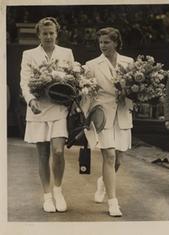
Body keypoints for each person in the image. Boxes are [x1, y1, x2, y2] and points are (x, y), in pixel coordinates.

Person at [20, 17, 74, 212]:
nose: (49, 36)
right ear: (39, 35)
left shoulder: (66, 53)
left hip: (59, 109)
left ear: (56, 33)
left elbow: (73, 79)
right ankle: (47, 196)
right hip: (38, 109)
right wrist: (31, 100)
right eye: (45, 33)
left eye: (52, 33)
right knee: (43, 155)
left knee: (58, 151)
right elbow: (25, 82)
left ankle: (58, 191)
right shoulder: (29, 54)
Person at [85, 27, 133, 217]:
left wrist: (130, 95)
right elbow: (86, 92)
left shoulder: (128, 62)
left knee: (118, 160)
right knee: (110, 157)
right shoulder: (92, 65)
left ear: (116, 42)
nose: (103, 46)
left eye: (107, 42)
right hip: (102, 114)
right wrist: (86, 116)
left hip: (122, 114)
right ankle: (113, 202)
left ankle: (102, 181)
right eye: (101, 42)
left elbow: (135, 91)